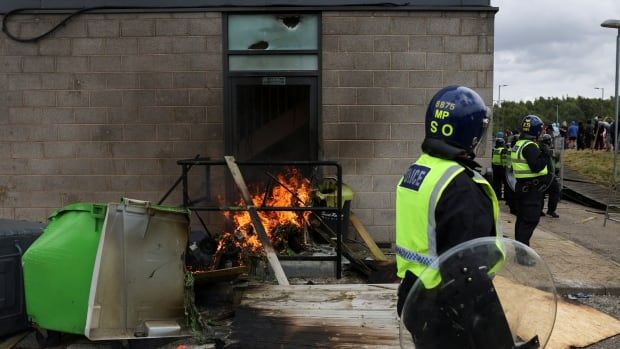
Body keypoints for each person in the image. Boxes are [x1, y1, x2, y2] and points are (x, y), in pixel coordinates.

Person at [395, 85, 501, 315]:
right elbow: (466, 263)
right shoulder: (460, 186)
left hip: (413, 293)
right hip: (445, 303)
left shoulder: (418, 170)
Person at [511, 115, 550, 265]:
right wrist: (546, 154)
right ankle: (522, 256)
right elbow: (537, 166)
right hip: (531, 190)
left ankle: (521, 252)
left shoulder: (519, 143)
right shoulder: (530, 146)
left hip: (523, 188)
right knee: (529, 221)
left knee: (522, 221)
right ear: (536, 130)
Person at [539, 134, 560, 218]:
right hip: (548, 175)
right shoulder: (547, 149)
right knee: (555, 191)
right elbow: (553, 163)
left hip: (541, 175)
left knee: (541, 193)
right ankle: (551, 211)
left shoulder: (538, 148)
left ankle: (539, 209)